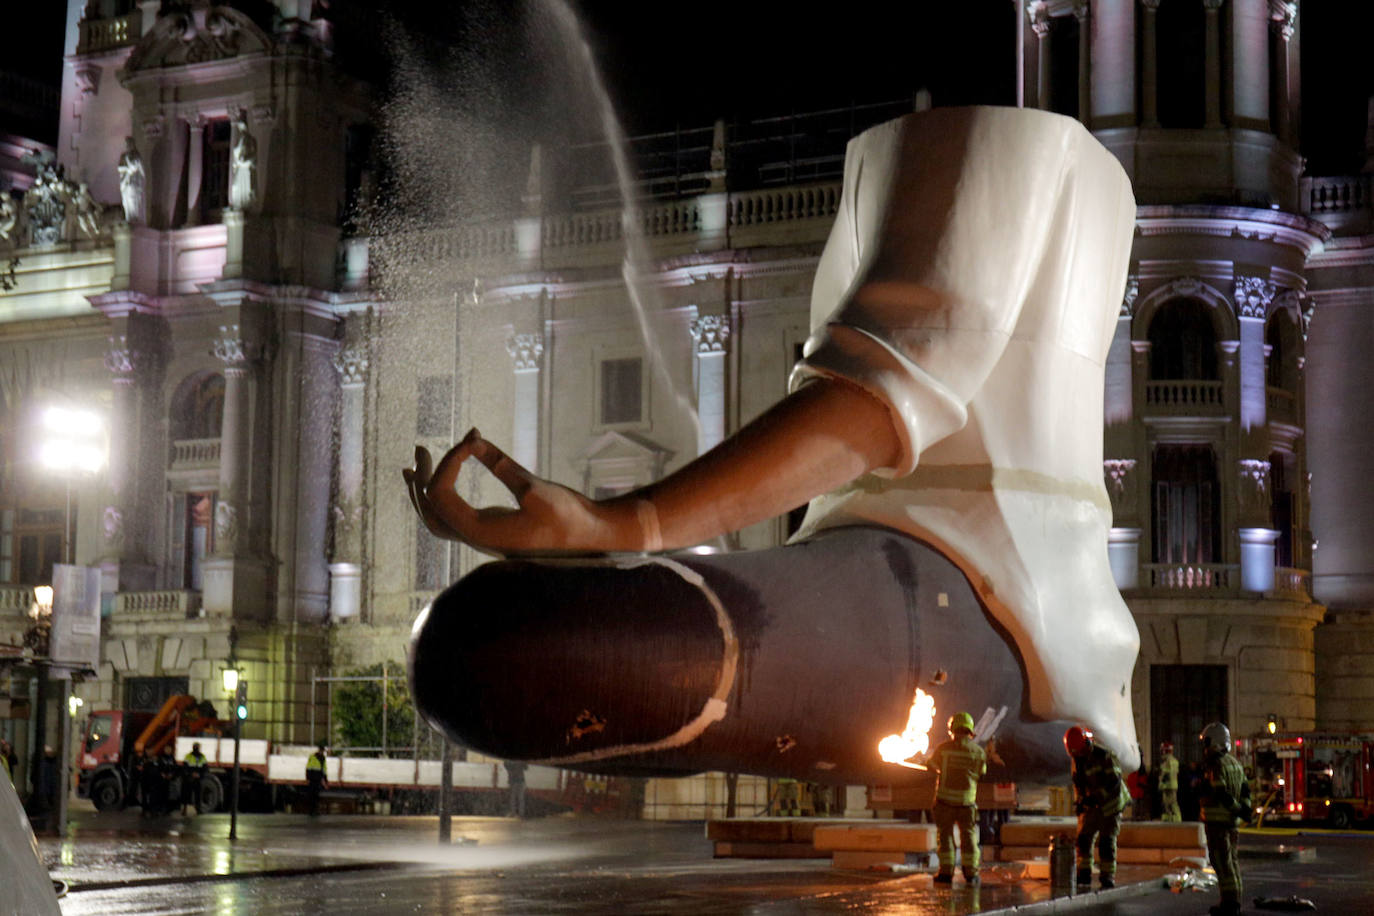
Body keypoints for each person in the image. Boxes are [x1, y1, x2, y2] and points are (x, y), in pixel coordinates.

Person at [405, 106, 1142, 773]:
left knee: (502, 644)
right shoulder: (1006, 160)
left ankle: (1040, 716)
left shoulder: (996, 144)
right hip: (932, 578)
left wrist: (623, 524)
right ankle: (1059, 727)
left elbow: (880, 403)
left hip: (979, 577)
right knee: (501, 648)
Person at [1065, 725, 1129, 890]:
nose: (1078, 755)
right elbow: (1078, 783)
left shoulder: (1103, 755)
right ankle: (1084, 874)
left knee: (1106, 842)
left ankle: (1107, 877)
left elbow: (1114, 782)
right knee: (1083, 839)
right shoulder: (1076, 759)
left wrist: (1095, 798)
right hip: (1093, 805)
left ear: (1086, 744)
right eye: (1075, 753)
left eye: (1079, 752)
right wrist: (1080, 802)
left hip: (1111, 804)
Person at [928, 711, 987, 886]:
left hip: (945, 802)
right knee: (968, 837)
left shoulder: (943, 749)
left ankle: (946, 873)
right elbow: (981, 772)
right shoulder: (978, 752)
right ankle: (971, 873)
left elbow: (932, 765)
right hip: (967, 804)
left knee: (945, 837)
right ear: (970, 731)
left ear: (952, 729)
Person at [1198, 722, 1249, 916]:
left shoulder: (1216, 764)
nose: (1205, 747)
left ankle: (1229, 904)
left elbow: (1220, 792)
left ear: (1216, 742)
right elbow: (1245, 790)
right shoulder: (1234, 763)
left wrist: (1236, 809)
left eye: (1207, 742)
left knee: (1221, 862)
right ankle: (1234, 900)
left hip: (1218, 822)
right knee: (1232, 861)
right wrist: (1245, 810)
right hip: (1231, 823)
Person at [182, 742, 208, 814]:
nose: (196, 748)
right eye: (195, 747)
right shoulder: (188, 756)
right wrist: (191, 774)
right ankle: (185, 809)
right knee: (187, 794)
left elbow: (205, 768)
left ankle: (198, 809)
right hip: (189, 779)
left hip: (198, 779)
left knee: (198, 795)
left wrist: (200, 775)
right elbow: (185, 767)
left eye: (197, 747)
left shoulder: (202, 757)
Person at [1158, 740, 1181, 822]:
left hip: (1167, 786)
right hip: (1173, 785)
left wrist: (1161, 783)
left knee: (1169, 804)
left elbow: (1166, 774)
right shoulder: (1174, 761)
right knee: (1171, 804)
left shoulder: (1167, 762)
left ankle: (1173, 820)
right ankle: (1172, 819)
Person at [305, 744, 328, 816]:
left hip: (317, 779)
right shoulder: (313, 757)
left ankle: (314, 810)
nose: (322, 752)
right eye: (322, 751)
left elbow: (324, 769)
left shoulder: (323, 758)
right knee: (312, 795)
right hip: (313, 778)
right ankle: (311, 811)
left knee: (316, 795)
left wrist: (325, 779)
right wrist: (308, 778)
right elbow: (308, 768)